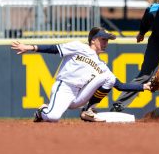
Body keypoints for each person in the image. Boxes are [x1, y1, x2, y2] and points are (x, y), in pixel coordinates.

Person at [11, 27, 151, 122]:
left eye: (107, 40)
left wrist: (144, 86)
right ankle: (42, 111)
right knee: (53, 117)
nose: (106, 43)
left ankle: (88, 111)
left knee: (108, 77)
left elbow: (120, 86)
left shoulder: (102, 65)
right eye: (103, 39)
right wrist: (30, 47)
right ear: (93, 40)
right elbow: (54, 49)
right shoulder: (79, 47)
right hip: (64, 88)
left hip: (79, 95)